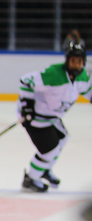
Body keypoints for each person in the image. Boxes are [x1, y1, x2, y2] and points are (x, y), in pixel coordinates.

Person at [18, 39, 90, 192]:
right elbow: (26, 81)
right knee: (49, 150)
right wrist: (27, 107)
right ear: (67, 60)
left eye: (79, 61)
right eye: (73, 60)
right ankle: (31, 178)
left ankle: (43, 169)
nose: (76, 64)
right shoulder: (54, 74)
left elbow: (89, 91)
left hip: (52, 117)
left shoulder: (82, 76)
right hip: (36, 117)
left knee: (63, 138)